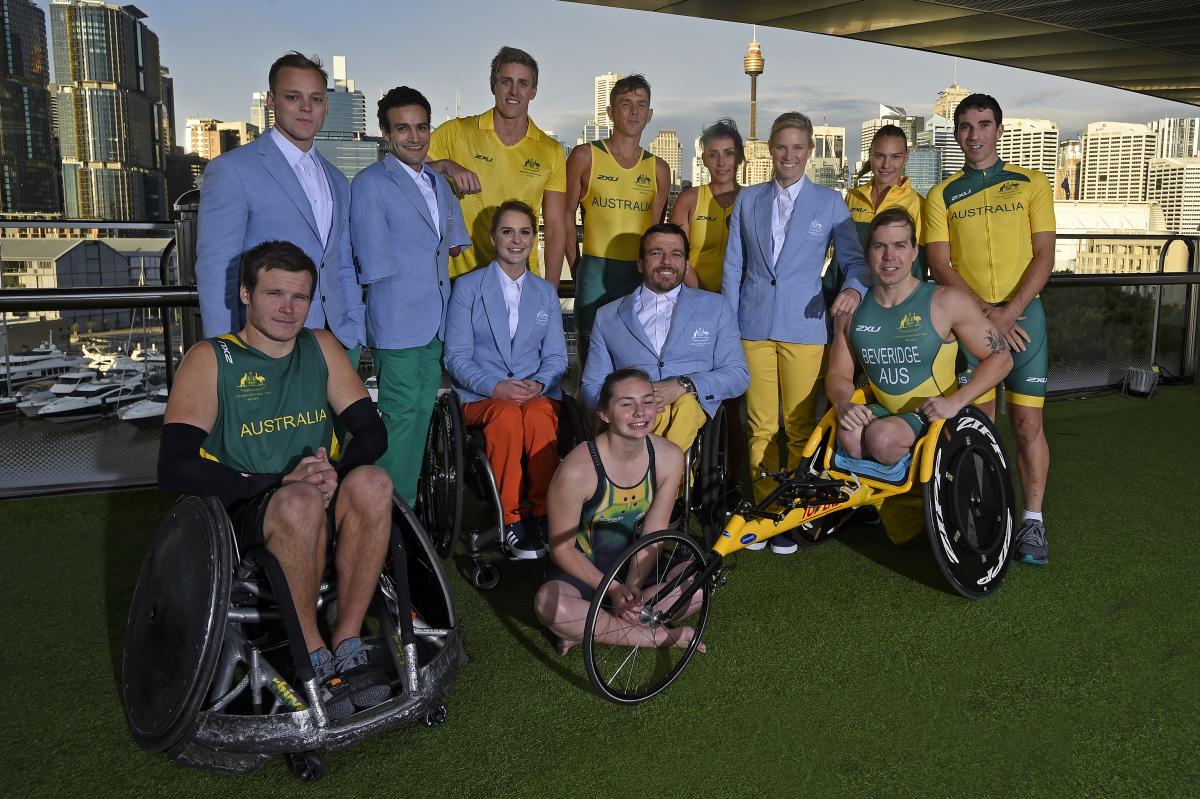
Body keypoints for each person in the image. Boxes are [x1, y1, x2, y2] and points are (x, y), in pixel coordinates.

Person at [158, 240, 392, 721]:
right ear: (246, 294)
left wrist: (337, 472)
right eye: (274, 294)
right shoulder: (211, 359)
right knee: (299, 503)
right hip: (249, 504)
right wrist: (277, 482)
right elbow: (175, 465)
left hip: (315, 493)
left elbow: (372, 431)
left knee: (372, 483)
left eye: (300, 298)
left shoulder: (320, 346)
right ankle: (313, 658)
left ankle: (348, 642)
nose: (288, 309)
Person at [721, 111, 871, 554]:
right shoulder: (747, 200)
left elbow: (856, 262)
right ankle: (764, 508)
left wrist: (853, 291)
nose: (789, 155)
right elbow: (733, 267)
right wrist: (728, 324)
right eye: (781, 147)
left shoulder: (829, 203)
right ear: (771, 149)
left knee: (801, 423)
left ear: (810, 151)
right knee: (760, 424)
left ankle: (794, 511)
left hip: (805, 326)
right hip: (752, 324)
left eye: (798, 148)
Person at [923, 93, 1056, 566]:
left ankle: (1033, 523)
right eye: (964, 126)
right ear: (956, 131)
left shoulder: (1031, 183)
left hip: (1026, 319)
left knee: (1026, 425)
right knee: (978, 426)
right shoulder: (941, 195)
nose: (974, 135)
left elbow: (1044, 255)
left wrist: (1008, 311)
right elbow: (940, 263)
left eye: (983, 124)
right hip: (972, 323)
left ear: (999, 129)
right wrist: (984, 315)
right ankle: (982, 515)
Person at [827, 208, 1013, 544]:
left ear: (915, 252)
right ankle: (904, 516)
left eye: (900, 246)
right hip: (887, 410)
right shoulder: (852, 310)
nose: (890, 256)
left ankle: (925, 509)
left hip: (934, 413)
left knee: (880, 438)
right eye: (880, 246)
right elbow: (839, 373)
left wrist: (954, 403)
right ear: (868, 253)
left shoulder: (945, 300)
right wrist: (843, 403)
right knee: (850, 434)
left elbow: (1001, 358)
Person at [349, 86, 471, 506]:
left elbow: (452, 246)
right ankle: (386, 513)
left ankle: (404, 510)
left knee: (418, 418)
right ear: (385, 133)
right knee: (400, 419)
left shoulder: (438, 182)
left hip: (436, 322)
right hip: (398, 323)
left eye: (421, 127)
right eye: (403, 128)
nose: (415, 137)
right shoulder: (368, 184)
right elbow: (373, 263)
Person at [195, 52, 363, 352]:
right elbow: (218, 269)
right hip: (266, 342)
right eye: (292, 97)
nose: (306, 108)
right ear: (271, 102)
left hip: (336, 341)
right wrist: (225, 352)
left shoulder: (338, 179)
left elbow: (341, 263)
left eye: (316, 98)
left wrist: (354, 329)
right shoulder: (232, 170)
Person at [534, 368, 701, 656]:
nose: (640, 413)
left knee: (698, 585)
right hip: (583, 571)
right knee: (551, 605)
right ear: (604, 413)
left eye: (648, 401)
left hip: (635, 567)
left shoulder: (669, 457)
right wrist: (612, 590)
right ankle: (657, 637)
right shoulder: (576, 470)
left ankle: (594, 627)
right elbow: (562, 550)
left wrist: (632, 589)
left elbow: (654, 533)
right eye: (626, 404)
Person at [443, 200, 568, 559]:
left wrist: (540, 383)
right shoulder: (467, 287)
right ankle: (509, 518)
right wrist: (495, 387)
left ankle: (542, 512)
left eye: (525, 232)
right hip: (482, 396)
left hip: (535, 393)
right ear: (492, 237)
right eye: (507, 231)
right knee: (508, 415)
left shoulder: (545, 291)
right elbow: (456, 356)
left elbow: (557, 356)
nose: (517, 240)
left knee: (540, 414)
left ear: (534, 237)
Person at [580, 223, 748, 457]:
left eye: (676, 254)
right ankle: (670, 482)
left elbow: (738, 375)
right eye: (656, 253)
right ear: (640, 264)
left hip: (692, 409)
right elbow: (591, 385)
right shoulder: (607, 316)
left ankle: (653, 477)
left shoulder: (716, 307)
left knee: (686, 405)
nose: (667, 261)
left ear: (687, 264)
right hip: (633, 419)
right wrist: (626, 405)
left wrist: (683, 385)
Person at [426, 46, 567, 283]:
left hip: (521, 280)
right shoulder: (455, 133)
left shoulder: (551, 150)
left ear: (533, 91)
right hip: (458, 278)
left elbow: (553, 227)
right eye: (506, 82)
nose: (514, 91)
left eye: (523, 83)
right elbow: (406, 177)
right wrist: (446, 165)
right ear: (493, 85)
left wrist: (550, 291)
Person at [565, 75, 671, 357]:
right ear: (611, 112)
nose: (634, 112)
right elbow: (564, 216)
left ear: (649, 114)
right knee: (589, 358)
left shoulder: (658, 168)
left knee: (633, 358)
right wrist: (576, 264)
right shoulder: (585, 156)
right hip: (594, 271)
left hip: (637, 273)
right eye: (626, 104)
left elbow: (656, 234)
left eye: (641, 105)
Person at [828, 124, 925, 302]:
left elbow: (917, 265)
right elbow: (839, 258)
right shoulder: (853, 197)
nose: (887, 165)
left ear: (906, 158)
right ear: (870, 156)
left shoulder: (918, 204)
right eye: (880, 156)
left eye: (895, 157)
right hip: (848, 298)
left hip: (893, 303)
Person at [670, 117, 744, 292]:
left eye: (729, 153)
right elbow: (675, 256)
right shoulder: (689, 200)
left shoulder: (752, 201)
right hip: (693, 297)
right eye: (713, 154)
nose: (721, 162)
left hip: (739, 301)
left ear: (740, 157)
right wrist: (704, 297)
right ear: (703, 159)